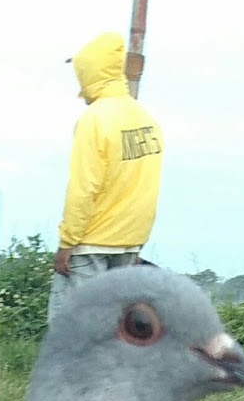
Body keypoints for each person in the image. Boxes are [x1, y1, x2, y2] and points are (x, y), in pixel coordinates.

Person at [48, 31, 164, 324]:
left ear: (90, 73)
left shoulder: (94, 120)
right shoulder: (146, 119)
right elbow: (147, 186)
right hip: (129, 242)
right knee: (112, 330)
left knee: (72, 329)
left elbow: (83, 187)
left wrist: (67, 243)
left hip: (91, 242)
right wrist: (136, 243)